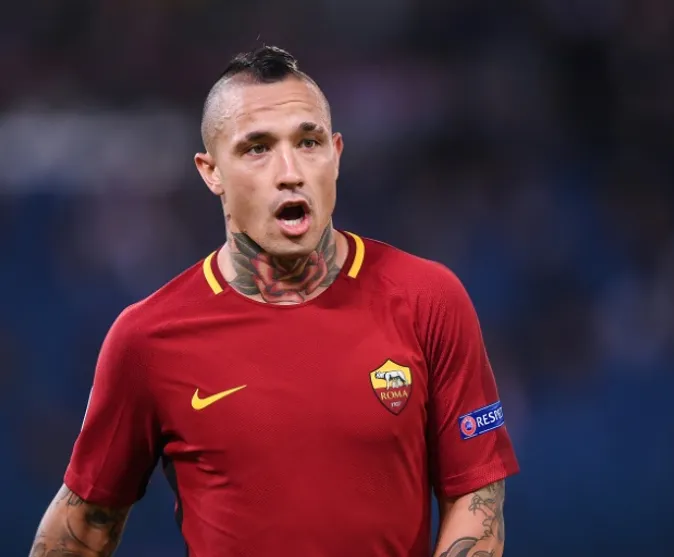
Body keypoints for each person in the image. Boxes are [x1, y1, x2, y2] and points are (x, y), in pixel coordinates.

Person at [29, 46, 519, 557]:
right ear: (211, 171)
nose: (290, 171)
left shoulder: (429, 300)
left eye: (308, 142)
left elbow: (477, 499)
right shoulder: (147, 339)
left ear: (336, 154)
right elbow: (82, 527)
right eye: (257, 148)